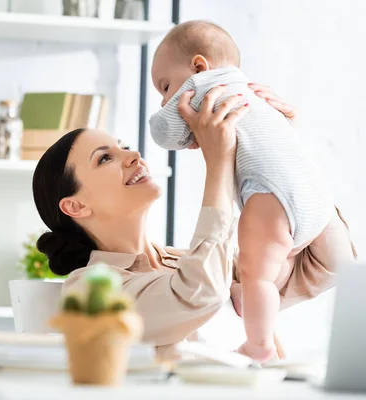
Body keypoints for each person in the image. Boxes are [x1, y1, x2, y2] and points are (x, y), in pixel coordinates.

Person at [31, 82, 356, 361]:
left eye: (124, 146)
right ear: (75, 206)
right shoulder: (91, 288)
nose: (132, 156)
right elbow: (199, 295)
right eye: (105, 158)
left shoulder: (190, 260)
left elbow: (329, 264)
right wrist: (219, 163)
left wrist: (281, 150)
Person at [147, 20, 357, 361]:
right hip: (313, 191)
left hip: (269, 192)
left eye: (165, 86)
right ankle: (255, 299)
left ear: (198, 67)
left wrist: (180, 118)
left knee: (255, 272)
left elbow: (164, 133)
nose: (165, 100)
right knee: (288, 270)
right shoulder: (251, 92)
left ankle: (260, 345)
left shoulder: (202, 88)